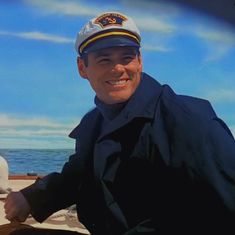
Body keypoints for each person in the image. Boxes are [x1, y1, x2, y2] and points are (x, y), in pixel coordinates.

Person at [4, 11, 235, 234]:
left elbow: (224, 211)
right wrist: (31, 198)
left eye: (126, 58)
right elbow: (78, 176)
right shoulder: (94, 123)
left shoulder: (190, 122)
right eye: (104, 60)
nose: (118, 69)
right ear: (82, 68)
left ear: (140, 61)